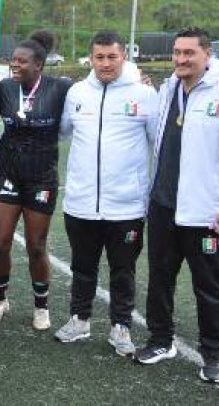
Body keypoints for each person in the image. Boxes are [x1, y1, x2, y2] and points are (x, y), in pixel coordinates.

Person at [135, 27, 219, 383]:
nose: (180, 59)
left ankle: (213, 354)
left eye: (189, 53)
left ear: (208, 54)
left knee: (210, 285)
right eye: (176, 52)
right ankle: (160, 340)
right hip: (162, 207)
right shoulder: (168, 89)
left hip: (205, 213)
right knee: (159, 279)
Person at [54, 31, 158, 356]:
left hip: (126, 206)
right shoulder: (77, 92)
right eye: (99, 57)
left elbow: (158, 142)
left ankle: (121, 326)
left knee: (123, 270)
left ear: (123, 56)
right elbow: (61, 132)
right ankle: (79, 319)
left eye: (112, 57)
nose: (106, 63)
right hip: (81, 203)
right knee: (82, 267)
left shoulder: (145, 94)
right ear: (91, 58)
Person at [0, 31, 72, 330]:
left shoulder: (60, 89)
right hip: (8, 174)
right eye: (14, 60)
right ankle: (0, 299)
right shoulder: (6, 88)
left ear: (39, 65)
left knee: (36, 245)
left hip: (41, 178)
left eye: (22, 61)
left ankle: (41, 306)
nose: (16, 64)